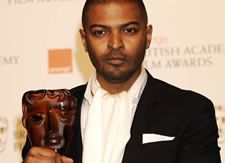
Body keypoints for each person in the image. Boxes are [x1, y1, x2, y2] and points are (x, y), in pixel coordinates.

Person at [22, 0, 221, 163]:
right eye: (100, 32)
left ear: (148, 36)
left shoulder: (190, 111)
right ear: (84, 40)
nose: (115, 44)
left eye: (129, 30)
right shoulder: (51, 111)